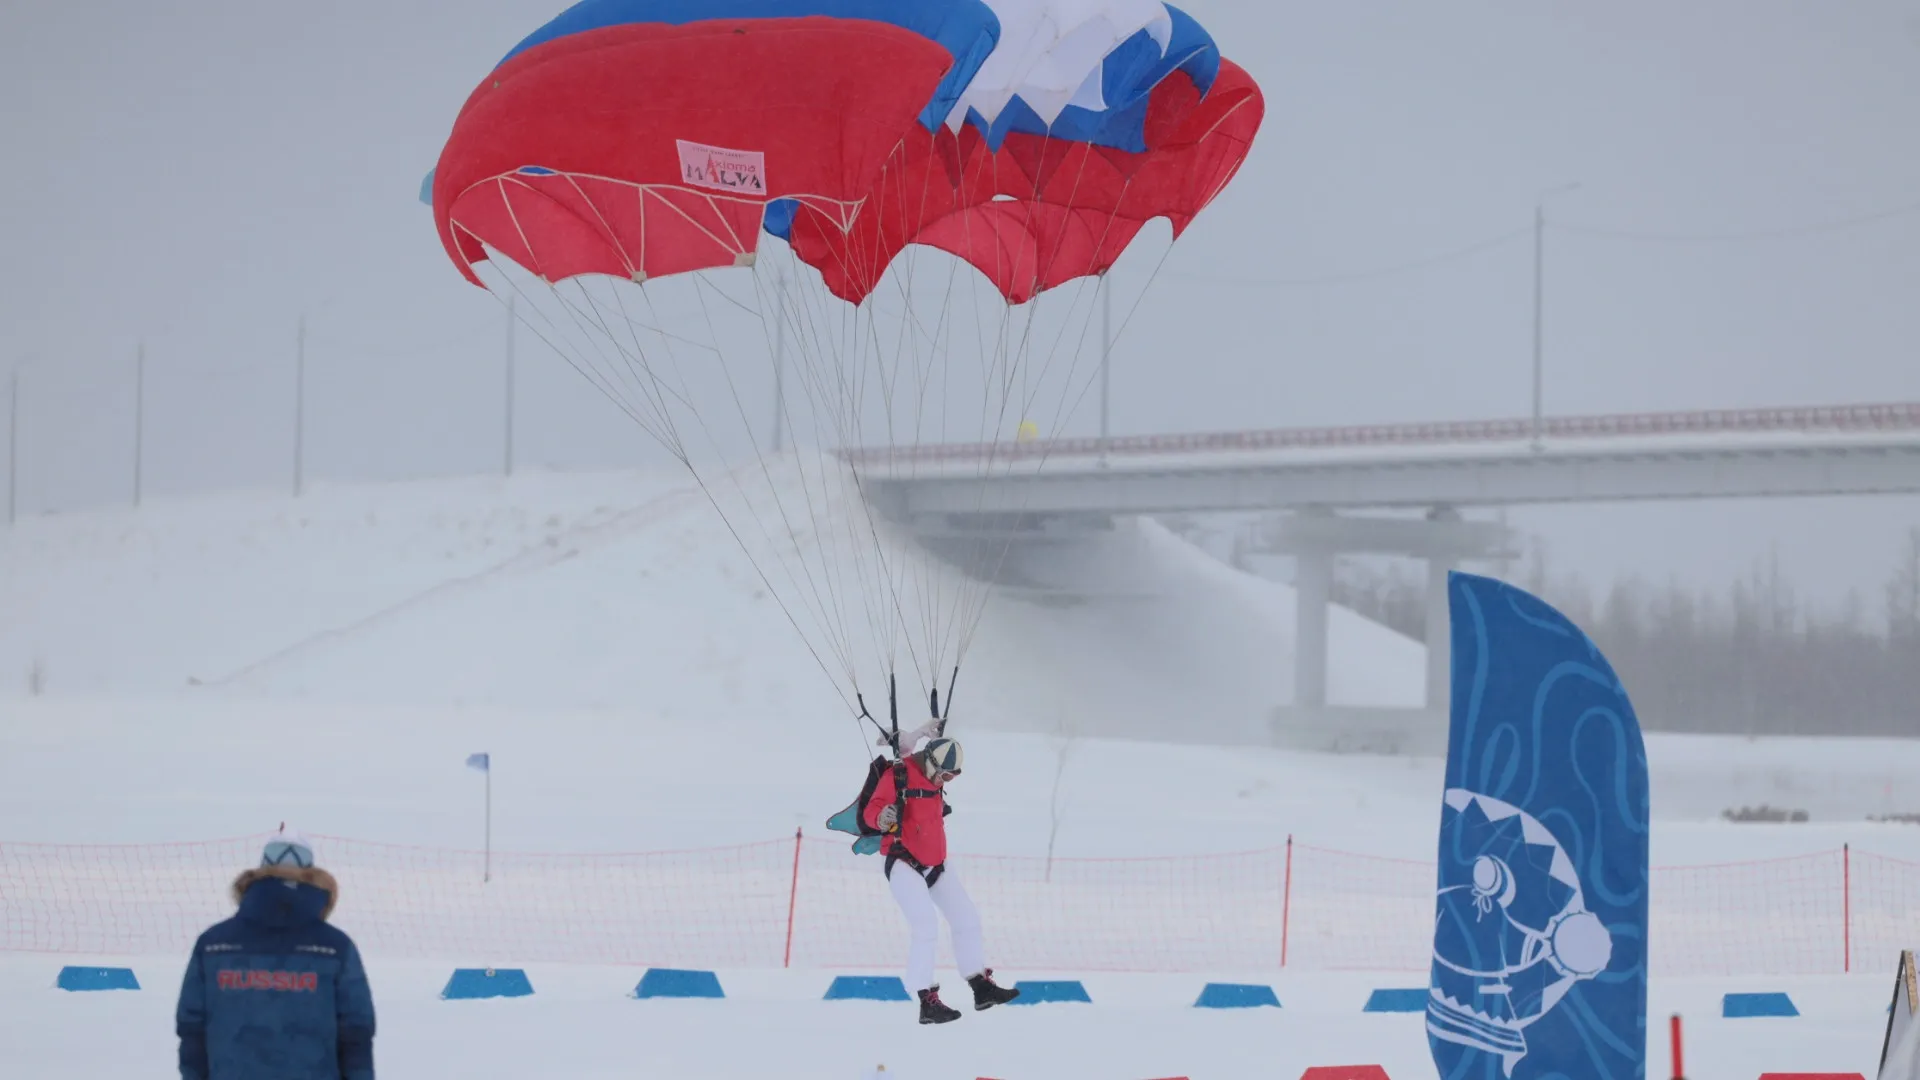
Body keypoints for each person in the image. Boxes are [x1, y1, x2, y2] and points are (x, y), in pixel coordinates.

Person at [174, 826, 376, 1080]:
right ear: (312, 876)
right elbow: (356, 1034)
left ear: (258, 874)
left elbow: (192, 1029)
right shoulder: (335, 948)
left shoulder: (213, 944)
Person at [863, 722, 1019, 1024]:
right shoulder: (899, 773)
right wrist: (882, 817)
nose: (947, 781)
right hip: (903, 861)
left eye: (953, 776)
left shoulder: (934, 771)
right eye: (946, 775)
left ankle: (980, 986)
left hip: (936, 863)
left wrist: (924, 730)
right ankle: (926, 1001)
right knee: (925, 927)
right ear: (932, 764)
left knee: (967, 919)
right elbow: (873, 809)